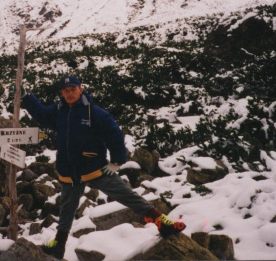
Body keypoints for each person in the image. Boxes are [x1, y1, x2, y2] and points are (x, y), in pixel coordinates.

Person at [21, 75, 186, 259]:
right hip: (69, 172)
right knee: (67, 209)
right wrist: (27, 98)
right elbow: (42, 115)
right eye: (66, 90)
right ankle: (59, 245)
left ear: (80, 89)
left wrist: (117, 161)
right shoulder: (58, 111)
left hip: (95, 169)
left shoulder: (94, 112)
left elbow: (114, 134)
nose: (69, 93)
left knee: (126, 195)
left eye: (73, 89)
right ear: (62, 92)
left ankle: (161, 221)